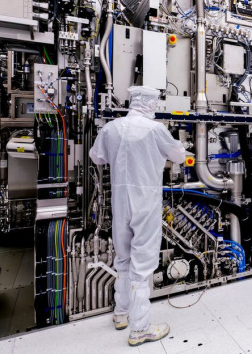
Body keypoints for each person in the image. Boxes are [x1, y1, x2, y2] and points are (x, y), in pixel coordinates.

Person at [89, 86, 185, 346]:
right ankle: (140, 329)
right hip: (145, 203)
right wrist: (181, 147)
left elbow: (96, 157)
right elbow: (178, 155)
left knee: (123, 258)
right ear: (151, 104)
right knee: (142, 266)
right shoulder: (155, 129)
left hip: (120, 202)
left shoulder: (112, 128)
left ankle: (121, 314)